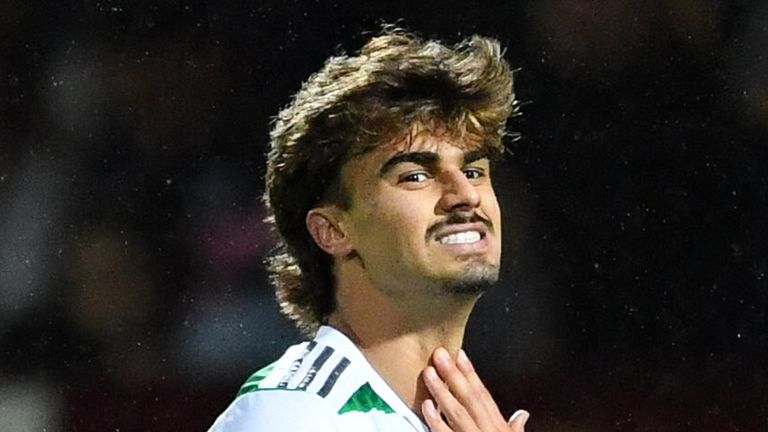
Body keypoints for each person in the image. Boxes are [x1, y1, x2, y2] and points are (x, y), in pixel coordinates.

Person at [209, 27, 530, 432]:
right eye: (415, 176)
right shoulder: (292, 417)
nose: (464, 194)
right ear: (333, 230)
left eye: (473, 170)